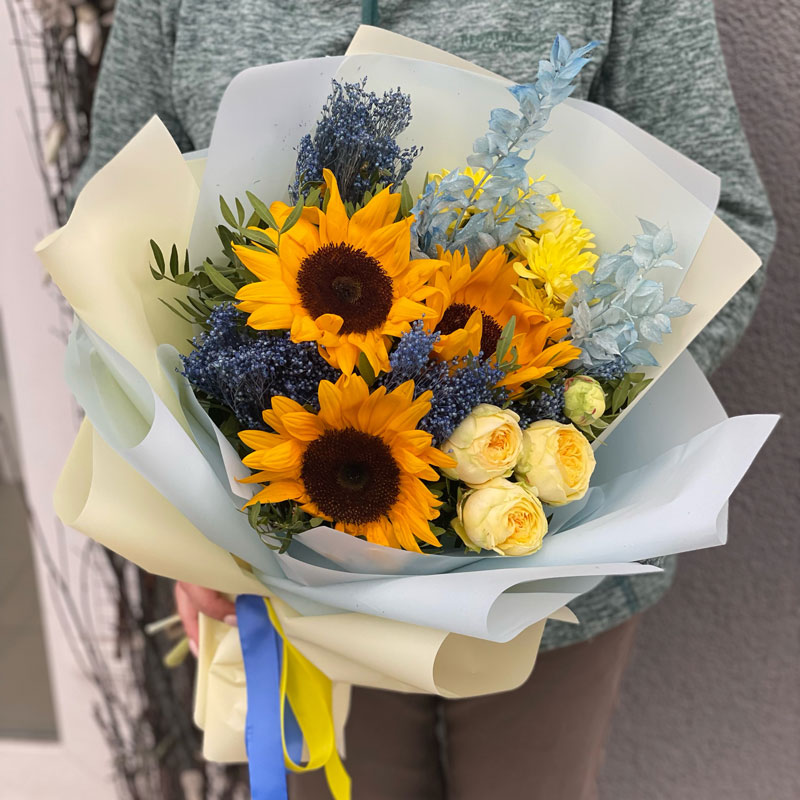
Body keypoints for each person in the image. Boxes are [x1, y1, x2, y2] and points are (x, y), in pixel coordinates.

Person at [76, 0, 775, 797]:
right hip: (290, 568)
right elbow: (113, 224)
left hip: (543, 587)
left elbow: (729, 229)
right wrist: (194, 523)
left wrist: (558, 435)